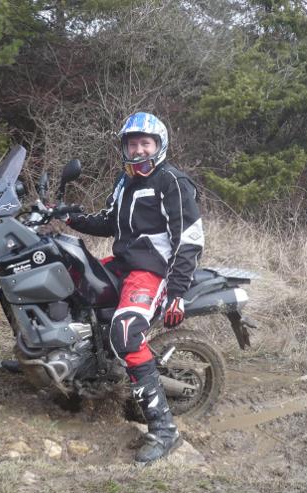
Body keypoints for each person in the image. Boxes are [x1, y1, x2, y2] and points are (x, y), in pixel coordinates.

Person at [66, 112, 204, 463]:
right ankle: (55, 364)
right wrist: (67, 216)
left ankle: (164, 430)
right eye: (132, 144)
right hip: (124, 263)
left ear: (159, 145)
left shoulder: (172, 182)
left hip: (152, 270)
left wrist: (177, 293)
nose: (139, 150)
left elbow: (189, 240)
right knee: (71, 281)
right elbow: (108, 221)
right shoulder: (125, 180)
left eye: (146, 143)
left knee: (125, 333)